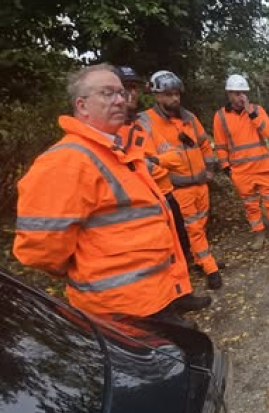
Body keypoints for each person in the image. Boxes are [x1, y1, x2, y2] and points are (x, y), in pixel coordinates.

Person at [14, 64, 204, 326]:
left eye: (120, 93)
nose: (120, 100)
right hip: (120, 311)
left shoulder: (115, 152)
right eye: (107, 93)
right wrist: (88, 267)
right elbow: (40, 251)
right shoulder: (65, 161)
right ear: (82, 106)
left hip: (154, 298)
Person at [137, 71, 223, 289]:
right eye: (168, 94)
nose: (174, 98)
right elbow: (146, 159)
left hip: (200, 184)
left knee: (200, 225)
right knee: (193, 228)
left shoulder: (189, 118)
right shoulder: (146, 122)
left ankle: (199, 259)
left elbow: (204, 144)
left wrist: (210, 170)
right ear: (156, 95)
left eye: (176, 94)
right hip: (177, 188)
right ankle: (210, 267)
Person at [115, 66, 193, 264]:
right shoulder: (111, 131)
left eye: (134, 87)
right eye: (126, 88)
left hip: (166, 195)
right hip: (143, 203)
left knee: (181, 246)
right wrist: (152, 165)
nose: (132, 93)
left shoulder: (141, 126)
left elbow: (176, 158)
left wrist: (154, 161)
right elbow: (130, 170)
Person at [213, 74, 269, 251]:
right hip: (241, 171)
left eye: (244, 93)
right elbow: (220, 145)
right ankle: (259, 234)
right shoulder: (220, 116)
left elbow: (268, 133)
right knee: (251, 205)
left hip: (263, 168)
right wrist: (226, 168)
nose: (241, 97)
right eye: (237, 93)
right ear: (229, 94)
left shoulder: (257, 110)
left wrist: (252, 114)